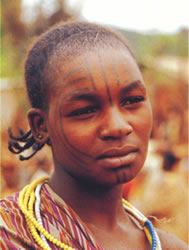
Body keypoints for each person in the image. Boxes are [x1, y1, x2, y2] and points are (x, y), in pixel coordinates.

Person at [0, 21, 187, 250]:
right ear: (41, 127)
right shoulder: (10, 234)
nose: (118, 127)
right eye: (85, 110)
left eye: (132, 100)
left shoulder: (167, 246)